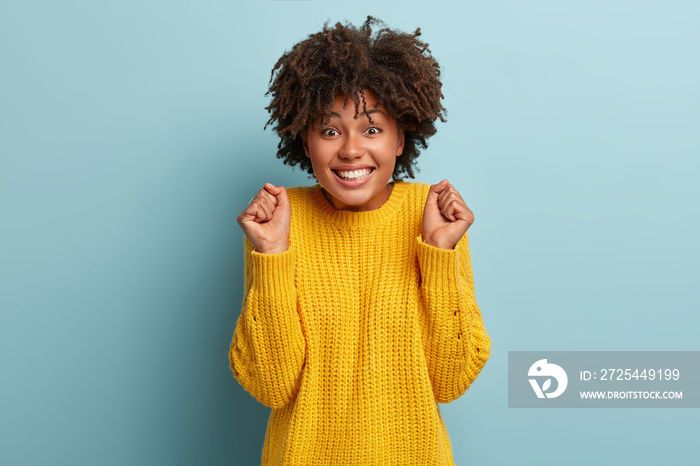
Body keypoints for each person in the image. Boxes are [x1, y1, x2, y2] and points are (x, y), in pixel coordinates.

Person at [229, 16, 491, 465]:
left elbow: (449, 381)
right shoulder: (279, 220)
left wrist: (438, 255)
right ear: (306, 142)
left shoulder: (434, 217)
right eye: (330, 131)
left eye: (372, 129)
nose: (350, 149)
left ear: (400, 140)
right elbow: (271, 384)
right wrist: (271, 257)